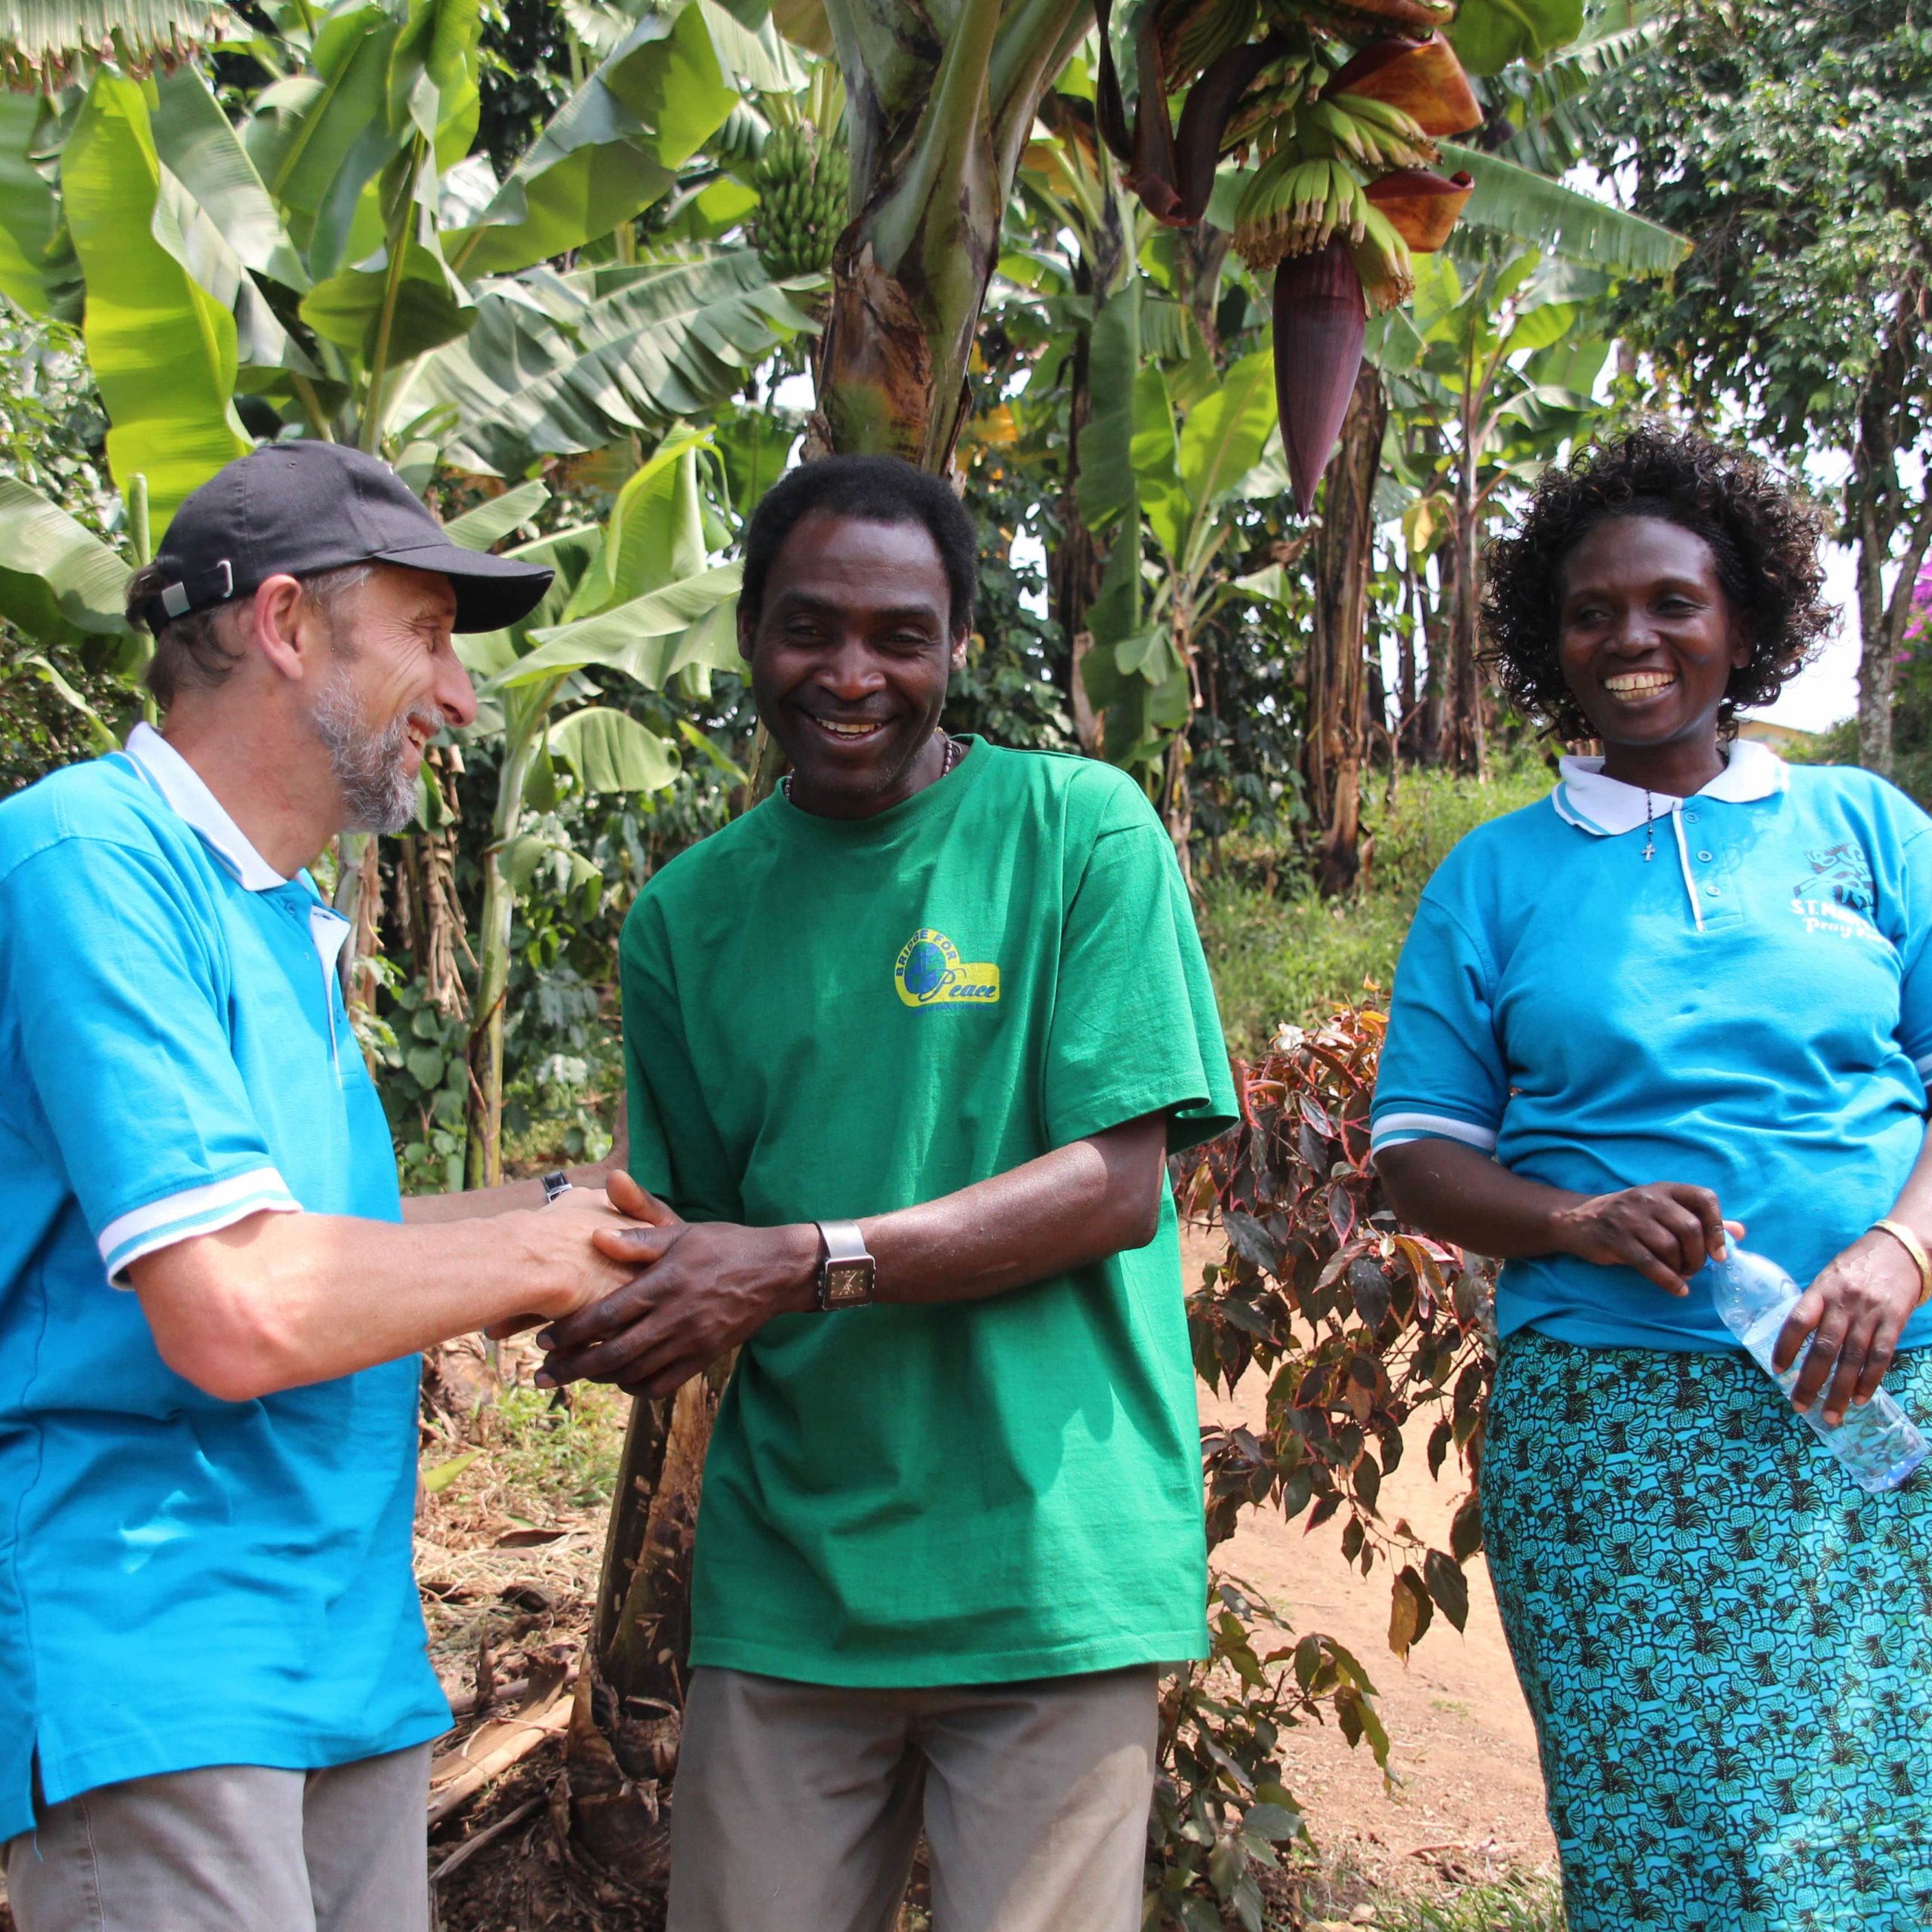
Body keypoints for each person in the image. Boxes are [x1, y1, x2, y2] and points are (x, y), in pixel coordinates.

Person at [536, 454, 1238, 1932]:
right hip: (792, 1581)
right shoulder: (684, 919)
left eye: (897, 634)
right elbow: (683, 1242)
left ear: (957, 648)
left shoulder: (1077, 833)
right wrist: (586, 1301)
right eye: (809, 627)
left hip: (1044, 1568)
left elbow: (1113, 1184)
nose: (849, 672)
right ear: (749, 635)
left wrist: (796, 1261)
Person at [0, 441, 647, 1932]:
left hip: (333, 1652)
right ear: (286, 625)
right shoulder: (91, 860)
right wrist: (546, 1258)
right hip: (165, 1650)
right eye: (427, 632)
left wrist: (577, 1203)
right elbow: (235, 1303)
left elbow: (317, 1242)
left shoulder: (270, 916)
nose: (461, 692)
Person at [1372, 425, 1932, 1928]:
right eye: (1590, 610)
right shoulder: (1494, 875)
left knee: (1881, 1811)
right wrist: (1571, 1218)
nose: (1631, 637)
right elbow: (1412, 1151)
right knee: (1664, 1828)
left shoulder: (1864, 832)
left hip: (1871, 1404)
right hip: (1611, 1427)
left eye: (1671, 602)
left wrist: (1896, 1248)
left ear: (1742, 618)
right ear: (1550, 642)